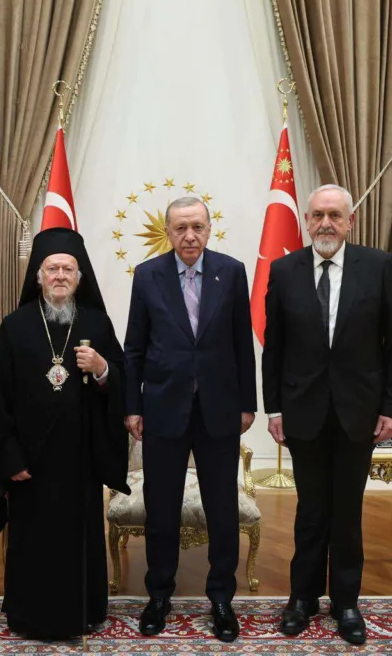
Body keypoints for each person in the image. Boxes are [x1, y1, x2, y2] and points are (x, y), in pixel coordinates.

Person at [0, 228, 130, 641]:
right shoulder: (15, 326)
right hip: (30, 463)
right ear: (38, 276)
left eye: (68, 269)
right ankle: (29, 614)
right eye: (52, 268)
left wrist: (102, 368)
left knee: (80, 539)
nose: (60, 275)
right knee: (33, 543)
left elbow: (122, 382)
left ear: (80, 277)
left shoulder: (97, 322)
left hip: (81, 461)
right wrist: (9, 458)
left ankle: (85, 611)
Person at [262, 184, 392, 645]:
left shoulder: (379, 267)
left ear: (350, 222)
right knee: (310, 511)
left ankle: (346, 602)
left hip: (358, 412)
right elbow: (274, 349)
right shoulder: (284, 270)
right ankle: (302, 599)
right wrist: (275, 408)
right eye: (318, 215)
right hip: (302, 411)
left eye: (335, 216)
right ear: (306, 220)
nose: (326, 223)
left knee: (346, 512)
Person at [124, 196, 257, 642]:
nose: (189, 236)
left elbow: (243, 342)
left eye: (197, 226)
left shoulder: (231, 271)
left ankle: (221, 597)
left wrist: (247, 403)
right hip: (163, 408)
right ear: (168, 231)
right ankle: (158, 594)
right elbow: (134, 349)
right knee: (161, 510)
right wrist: (132, 405)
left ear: (209, 228)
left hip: (219, 409)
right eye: (180, 228)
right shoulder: (147, 276)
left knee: (222, 508)